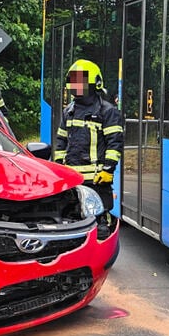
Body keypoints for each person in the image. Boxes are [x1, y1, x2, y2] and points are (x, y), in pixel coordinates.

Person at [54, 60, 124, 236]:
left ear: (95, 84)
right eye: (73, 81)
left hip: (97, 180)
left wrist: (108, 170)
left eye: (81, 82)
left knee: (99, 228)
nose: (76, 86)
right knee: (72, 223)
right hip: (72, 179)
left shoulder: (107, 111)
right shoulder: (68, 111)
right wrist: (57, 167)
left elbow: (115, 144)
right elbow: (61, 141)